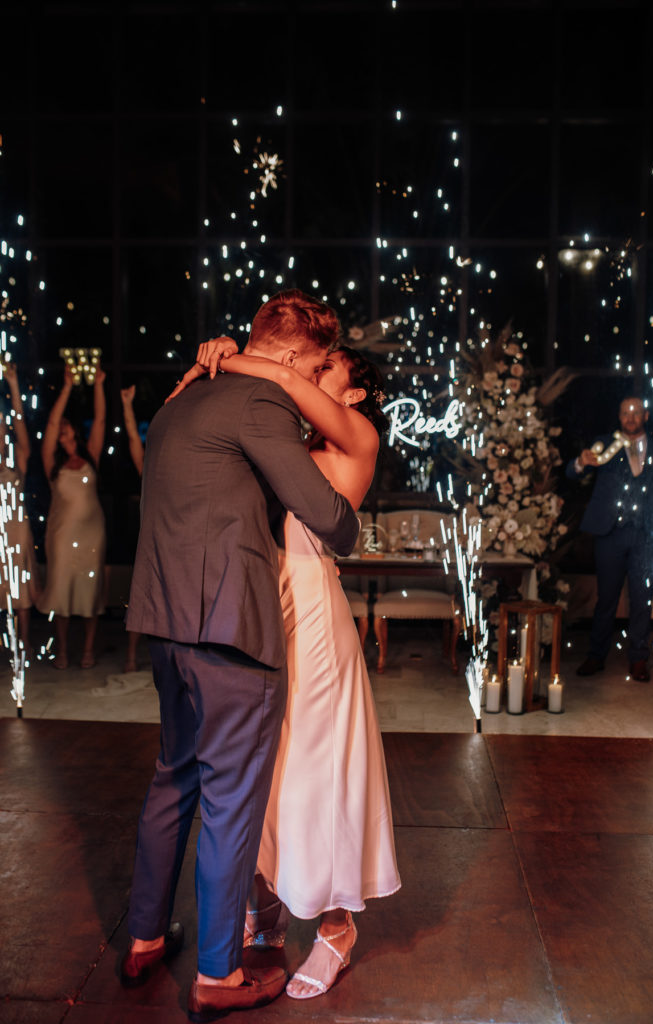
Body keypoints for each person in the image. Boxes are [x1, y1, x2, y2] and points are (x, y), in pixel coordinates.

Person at [122, 290, 359, 1021]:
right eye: (314, 366)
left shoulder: (180, 402)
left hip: (163, 627)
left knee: (174, 782)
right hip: (230, 634)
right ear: (289, 358)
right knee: (230, 806)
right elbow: (332, 520)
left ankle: (144, 938)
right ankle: (219, 975)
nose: (313, 382)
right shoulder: (259, 405)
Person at [175, 339, 401, 1001]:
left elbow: (281, 378)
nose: (307, 369)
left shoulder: (357, 436)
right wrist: (203, 366)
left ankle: (336, 930)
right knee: (261, 773)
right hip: (260, 612)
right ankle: (266, 910)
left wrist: (229, 355)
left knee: (312, 775)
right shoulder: (284, 439)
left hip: (317, 623)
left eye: (324, 364)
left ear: (354, 391)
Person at [566, 396, 653, 682]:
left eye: (636, 412)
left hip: (646, 535)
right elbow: (572, 472)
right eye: (625, 412)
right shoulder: (605, 444)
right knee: (606, 599)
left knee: (642, 599)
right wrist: (580, 461)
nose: (630, 417)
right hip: (610, 533)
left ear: (646, 416)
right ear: (619, 415)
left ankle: (638, 659)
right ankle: (596, 655)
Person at [38, 365, 107, 669]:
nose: (62, 426)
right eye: (60, 425)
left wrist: (99, 386)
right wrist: (66, 387)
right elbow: (52, 422)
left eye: (67, 424)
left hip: (92, 533)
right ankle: (63, 649)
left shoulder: (90, 454)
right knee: (62, 588)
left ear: (75, 431)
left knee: (89, 590)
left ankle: (89, 650)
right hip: (63, 534)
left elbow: (102, 420)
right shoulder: (52, 461)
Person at [0, 362, 39, 651]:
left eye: (1, 427)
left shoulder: (17, 462)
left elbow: (20, 424)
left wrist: (13, 383)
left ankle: (23, 643)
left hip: (16, 530)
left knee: (20, 590)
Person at [120, 384, 144, 672]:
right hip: (151, 542)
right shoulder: (150, 466)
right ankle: (129, 657)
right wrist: (127, 405)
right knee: (140, 601)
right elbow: (133, 440)